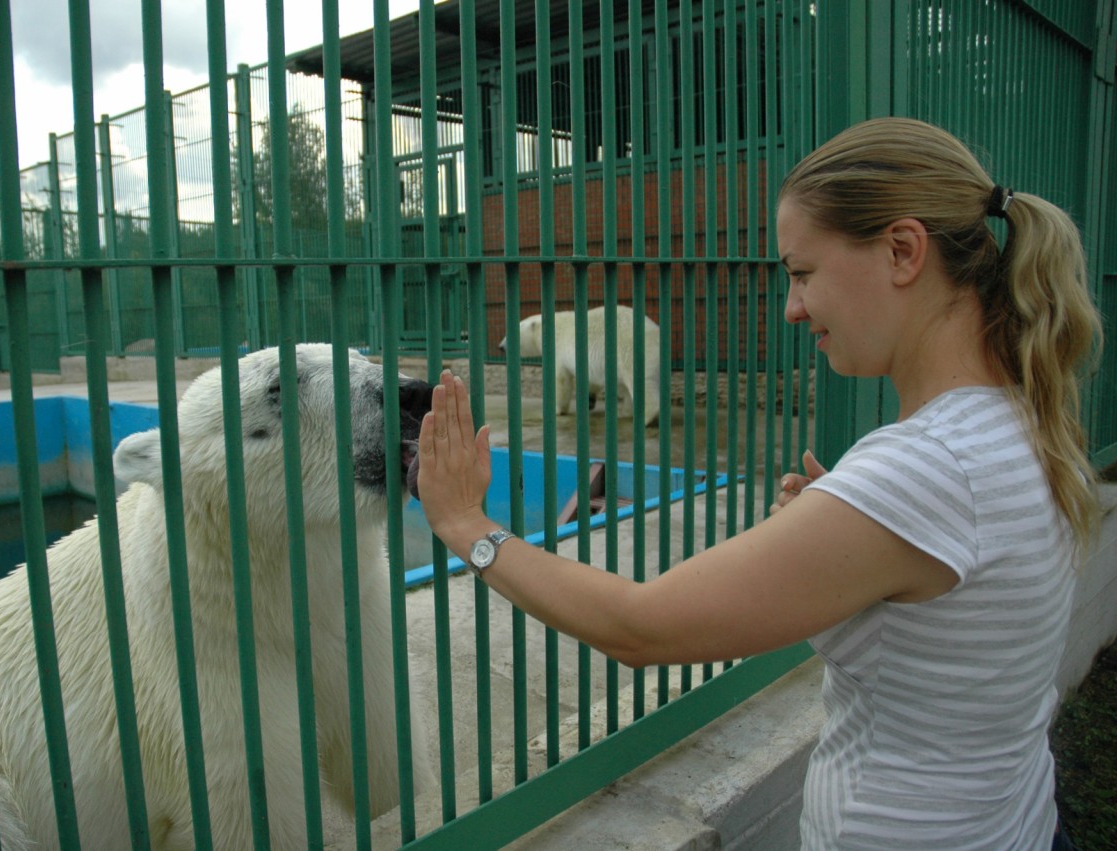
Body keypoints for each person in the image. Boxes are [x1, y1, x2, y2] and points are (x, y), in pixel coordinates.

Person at [415, 117, 1101, 850]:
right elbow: (943, 647)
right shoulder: (1018, 422)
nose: (793, 306)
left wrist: (466, 525)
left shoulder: (924, 469)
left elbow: (638, 625)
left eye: (802, 272)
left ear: (903, 250)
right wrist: (840, 525)